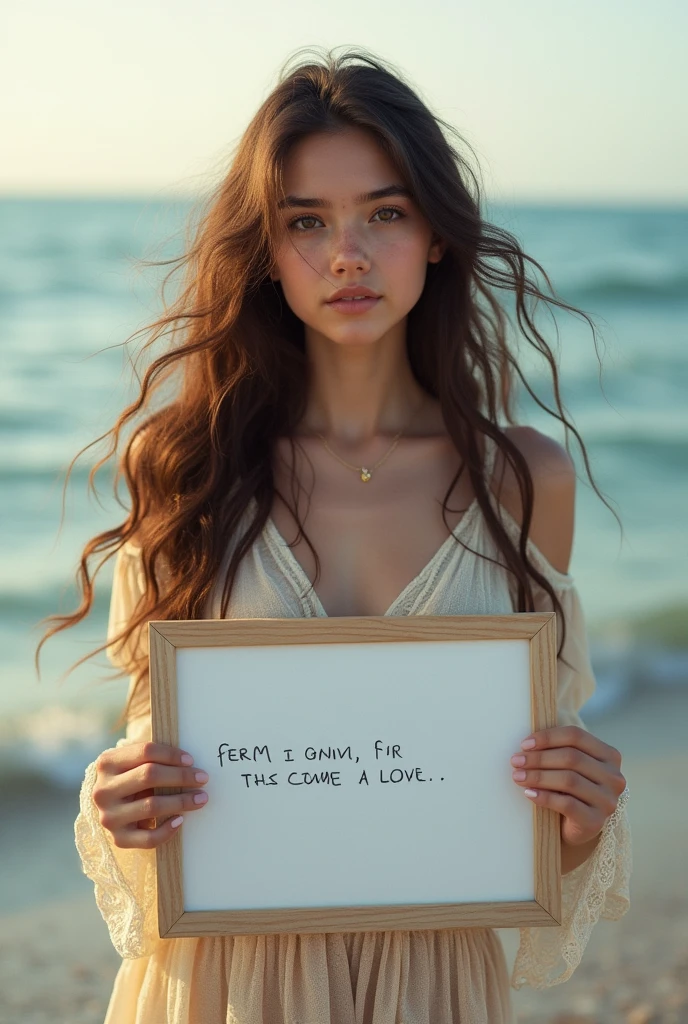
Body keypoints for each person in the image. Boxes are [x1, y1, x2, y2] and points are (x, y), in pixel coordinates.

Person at [42, 46, 631, 1024]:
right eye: (304, 222)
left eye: (384, 214)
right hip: (224, 987)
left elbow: (533, 820)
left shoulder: (525, 480)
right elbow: (153, 774)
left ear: (436, 234)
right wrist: (119, 798)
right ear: (265, 252)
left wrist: (577, 809)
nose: (345, 254)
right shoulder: (185, 469)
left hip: (433, 984)